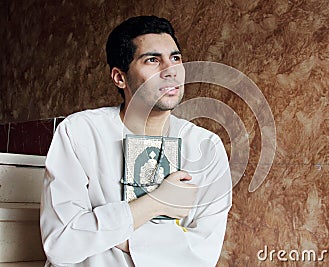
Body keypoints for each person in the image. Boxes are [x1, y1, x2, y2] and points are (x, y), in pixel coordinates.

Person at [40, 15, 232, 267]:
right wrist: (155, 203)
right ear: (120, 77)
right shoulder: (79, 133)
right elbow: (62, 244)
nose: (170, 70)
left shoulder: (207, 147)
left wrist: (104, 232)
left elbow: (202, 256)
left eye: (175, 58)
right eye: (152, 60)